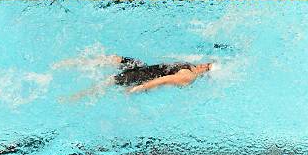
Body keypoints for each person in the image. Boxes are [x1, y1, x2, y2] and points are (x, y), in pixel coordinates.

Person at [52, 54, 212, 100]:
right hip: (144, 67)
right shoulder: (191, 66)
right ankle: (68, 63)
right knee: (115, 58)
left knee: (109, 82)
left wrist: (139, 88)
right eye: (207, 63)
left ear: (205, 75)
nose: (204, 65)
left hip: (141, 77)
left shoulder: (189, 77)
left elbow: (163, 80)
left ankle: (74, 97)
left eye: (207, 68)